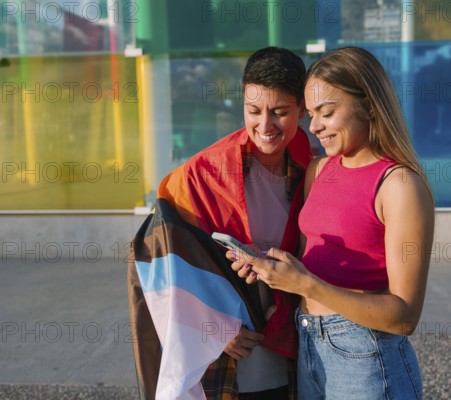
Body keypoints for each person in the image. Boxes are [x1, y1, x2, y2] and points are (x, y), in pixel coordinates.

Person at [229, 46, 435, 399]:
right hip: (309, 346)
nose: (314, 127)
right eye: (311, 114)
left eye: (327, 112)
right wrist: (266, 264)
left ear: (369, 105)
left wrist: (307, 285)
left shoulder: (399, 185)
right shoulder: (319, 170)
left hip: (366, 358)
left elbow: (405, 316)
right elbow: (311, 263)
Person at [128, 47, 313, 399]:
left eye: (280, 112)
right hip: (224, 360)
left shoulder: (314, 171)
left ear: (302, 110)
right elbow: (160, 258)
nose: (265, 125)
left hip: (296, 349)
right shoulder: (203, 173)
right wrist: (210, 328)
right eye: (254, 110)